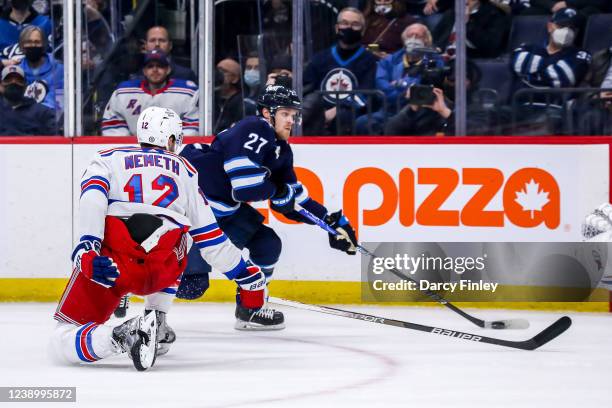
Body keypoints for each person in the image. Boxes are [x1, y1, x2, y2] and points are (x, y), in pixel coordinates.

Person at [51, 106, 266, 371]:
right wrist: (247, 276)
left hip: (113, 268)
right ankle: (157, 316)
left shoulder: (108, 157)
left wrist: (87, 247)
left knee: (62, 339)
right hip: (163, 270)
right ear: (172, 140)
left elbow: (93, 198)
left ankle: (119, 336)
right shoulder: (186, 170)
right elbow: (211, 241)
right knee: (176, 234)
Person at [177, 85, 359, 330]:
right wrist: (278, 192)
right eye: (285, 114)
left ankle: (250, 309)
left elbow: (295, 201)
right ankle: (126, 283)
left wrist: (330, 223)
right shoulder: (254, 128)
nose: (290, 121)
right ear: (266, 113)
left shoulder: (281, 150)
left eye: (293, 115)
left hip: (226, 211)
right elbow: (245, 186)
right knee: (192, 287)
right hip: (198, 213)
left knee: (268, 244)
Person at [355, 23, 446, 135]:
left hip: (420, 113)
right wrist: (406, 90)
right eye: (410, 36)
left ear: (426, 41)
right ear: (404, 40)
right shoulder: (388, 61)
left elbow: (423, 89)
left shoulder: (435, 61)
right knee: (362, 122)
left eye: (418, 36)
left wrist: (398, 83)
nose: (413, 40)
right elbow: (382, 89)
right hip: (389, 110)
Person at [510, 7, 591, 133]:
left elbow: (560, 77)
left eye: (572, 28)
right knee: (492, 114)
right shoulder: (527, 47)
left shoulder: (580, 55)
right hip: (520, 107)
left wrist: (533, 72)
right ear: (550, 27)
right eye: (561, 26)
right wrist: (550, 66)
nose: (566, 31)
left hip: (555, 109)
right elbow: (517, 64)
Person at [303, 7, 378, 135]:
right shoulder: (320, 58)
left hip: (351, 113)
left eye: (355, 24)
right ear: (337, 27)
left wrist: (338, 109)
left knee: (343, 118)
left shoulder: (369, 60)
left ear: (363, 30)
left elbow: (365, 93)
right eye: (344, 23)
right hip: (320, 110)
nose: (349, 28)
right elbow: (307, 89)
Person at [101, 49, 199, 136]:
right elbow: (113, 126)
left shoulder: (188, 92)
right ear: (144, 71)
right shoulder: (123, 92)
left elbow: (192, 128)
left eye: (160, 66)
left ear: (168, 69)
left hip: (173, 151)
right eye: (150, 66)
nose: (155, 70)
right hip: (133, 151)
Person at [433, 0, 511, 59]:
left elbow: (489, 47)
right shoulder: (451, 13)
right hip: (443, 60)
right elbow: (436, 39)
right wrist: (437, 48)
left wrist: (467, 23)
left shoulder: (495, 15)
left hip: (472, 64)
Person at [17, 25, 63, 112]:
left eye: (37, 42)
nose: (33, 45)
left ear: (44, 45)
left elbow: (59, 104)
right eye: (29, 42)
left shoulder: (59, 70)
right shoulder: (17, 73)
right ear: (22, 46)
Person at [0, 64, 55, 135]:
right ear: (1, 85)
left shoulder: (42, 113)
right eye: (8, 79)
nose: (13, 82)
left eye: (19, 80)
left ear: (25, 86)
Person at [214, 58, 244, 134]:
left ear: (235, 78)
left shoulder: (242, 103)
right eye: (217, 70)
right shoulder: (209, 99)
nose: (218, 74)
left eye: (223, 71)